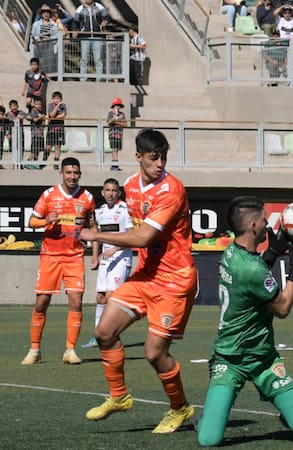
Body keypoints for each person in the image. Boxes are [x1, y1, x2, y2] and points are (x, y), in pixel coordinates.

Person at [79, 129, 198, 433]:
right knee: (104, 332)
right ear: (139, 157)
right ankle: (119, 397)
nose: (160, 163)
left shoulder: (172, 190)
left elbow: (144, 236)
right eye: (153, 157)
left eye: (164, 157)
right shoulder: (130, 186)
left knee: (154, 353)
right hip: (146, 276)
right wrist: (117, 245)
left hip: (174, 280)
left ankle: (180, 408)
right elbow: (137, 229)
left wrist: (98, 236)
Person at [195, 196, 293, 446]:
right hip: (230, 358)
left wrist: (273, 252)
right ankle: (208, 418)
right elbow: (283, 308)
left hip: (262, 358)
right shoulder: (253, 270)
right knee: (208, 440)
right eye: (264, 220)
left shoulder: (232, 252)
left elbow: (254, 271)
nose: (269, 224)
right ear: (254, 226)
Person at [21, 157, 96, 366]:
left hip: (75, 257)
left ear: (79, 174)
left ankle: (70, 350)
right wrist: (47, 220)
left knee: (76, 301)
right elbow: (32, 221)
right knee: (41, 302)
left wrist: (96, 251)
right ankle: (34, 349)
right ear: (61, 173)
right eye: (68, 172)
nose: (72, 176)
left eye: (76, 173)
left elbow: (92, 225)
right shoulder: (48, 195)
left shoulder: (87, 197)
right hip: (50, 256)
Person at [82, 178, 133, 349]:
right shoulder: (100, 211)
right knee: (101, 297)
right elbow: (97, 235)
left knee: (112, 297)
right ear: (102, 193)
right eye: (108, 190)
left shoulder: (125, 210)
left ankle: (112, 335)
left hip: (121, 257)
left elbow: (132, 237)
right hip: (105, 259)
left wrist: (115, 248)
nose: (111, 193)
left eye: (114, 191)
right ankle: (98, 335)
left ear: (119, 193)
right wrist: (95, 255)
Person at [73, 0, 109, 81]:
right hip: (85, 36)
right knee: (84, 59)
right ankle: (83, 79)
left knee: (98, 59)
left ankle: (99, 79)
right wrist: (74, 30)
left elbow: (106, 17)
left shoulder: (99, 6)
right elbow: (75, 21)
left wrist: (105, 21)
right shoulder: (80, 8)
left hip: (97, 36)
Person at [45, 91, 66, 169]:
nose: (56, 100)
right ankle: (44, 161)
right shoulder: (50, 105)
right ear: (52, 99)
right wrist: (57, 107)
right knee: (48, 147)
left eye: (58, 98)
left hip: (59, 130)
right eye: (55, 98)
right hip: (51, 130)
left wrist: (54, 117)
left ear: (61, 99)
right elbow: (51, 115)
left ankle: (56, 163)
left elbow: (63, 116)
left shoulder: (63, 106)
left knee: (58, 147)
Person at [26, 96, 47, 170]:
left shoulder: (40, 111)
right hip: (35, 134)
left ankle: (35, 163)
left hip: (40, 134)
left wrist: (43, 120)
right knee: (34, 150)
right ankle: (28, 162)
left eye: (40, 104)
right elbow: (34, 119)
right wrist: (41, 117)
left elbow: (43, 122)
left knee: (37, 150)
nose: (39, 106)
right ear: (34, 104)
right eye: (37, 104)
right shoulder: (33, 110)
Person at [107, 98, 127, 171]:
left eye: (119, 105)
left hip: (119, 133)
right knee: (114, 150)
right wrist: (115, 117)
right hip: (113, 133)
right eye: (116, 105)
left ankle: (115, 164)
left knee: (117, 150)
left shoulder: (122, 114)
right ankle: (114, 165)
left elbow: (125, 124)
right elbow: (109, 122)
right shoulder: (111, 113)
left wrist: (117, 122)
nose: (118, 107)